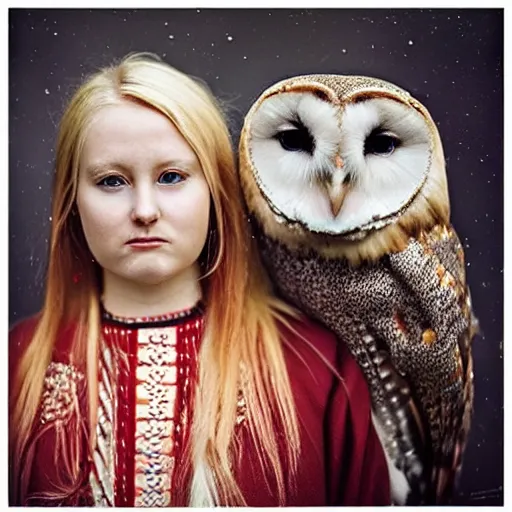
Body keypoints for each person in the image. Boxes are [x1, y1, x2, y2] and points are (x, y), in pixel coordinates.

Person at [9, 52, 390, 507]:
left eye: (172, 177)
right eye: (112, 181)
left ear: (216, 191)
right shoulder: (15, 367)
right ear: (72, 201)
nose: (145, 210)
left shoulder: (316, 366)